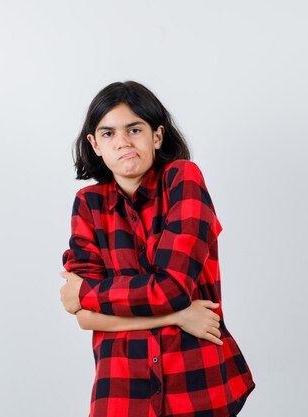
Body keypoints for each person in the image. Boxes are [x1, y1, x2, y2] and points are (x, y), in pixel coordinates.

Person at [60, 81, 255, 417]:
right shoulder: (88, 204)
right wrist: (179, 315)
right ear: (94, 144)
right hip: (121, 388)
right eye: (108, 134)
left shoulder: (183, 179)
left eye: (134, 129)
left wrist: (89, 292)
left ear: (157, 136)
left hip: (195, 383)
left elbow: (173, 288)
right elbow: (86, 318)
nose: (122, 142)